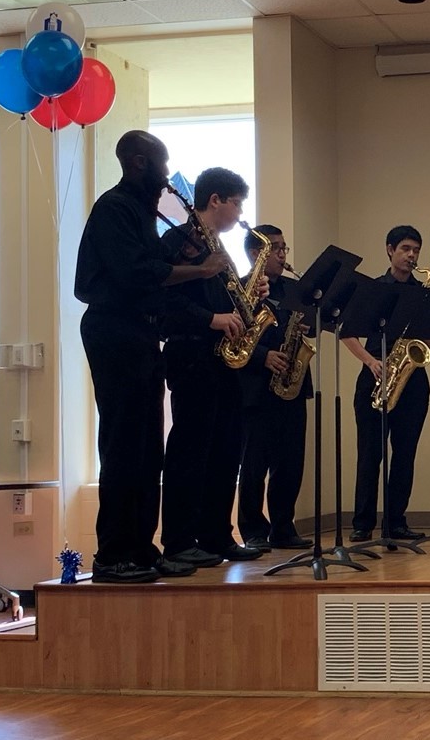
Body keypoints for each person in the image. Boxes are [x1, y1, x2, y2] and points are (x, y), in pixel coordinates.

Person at [74, 131, 228, 584]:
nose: (166, 178)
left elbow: (148, 272)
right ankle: (113, 555)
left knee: (147, 449)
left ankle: (143, 548)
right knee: (123, 445)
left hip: (141, 331)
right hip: (114, 328)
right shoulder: (114, 207)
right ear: (139, 163)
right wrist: (200, 269)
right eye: (162, 167)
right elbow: (134, 274)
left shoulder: (139, 211)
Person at [160, 167, 263, 567]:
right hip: (191, 356)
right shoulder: (177, 242)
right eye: (237, 203)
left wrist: (250, 294)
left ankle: (217, 535)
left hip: (222, 361)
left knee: (225, 450)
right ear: (216, 199)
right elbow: (167, 303)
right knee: (190, 451)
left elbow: (234, 309)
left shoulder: (220, 252)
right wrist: (212, 319)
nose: (240, 213)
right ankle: (180, 541)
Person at [343, 226, 430, 543]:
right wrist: (369, 361)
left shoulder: (423, 292)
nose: (412, 256)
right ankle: (362, 524)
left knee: (405, 454)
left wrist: (425, 328)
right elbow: (346, 332)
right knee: (370, 454)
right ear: (390, 250)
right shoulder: (372, 289)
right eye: (406, 249)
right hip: (375, 374)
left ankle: (395, 522)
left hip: (412, 381)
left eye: (416, 250)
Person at [236, 225, 312, 552]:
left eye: (285, 249)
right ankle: (253, 529)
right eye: (276, 249)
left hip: (291, 384)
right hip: (255, 387)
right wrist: (264, 356)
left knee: (290, 461)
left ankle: (283, 526)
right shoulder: (239, 289)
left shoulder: (297, 291)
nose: (283, 255)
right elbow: (233, 338)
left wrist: (311, 323)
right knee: (254, 463)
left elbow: (310, 327)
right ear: (256, 254)